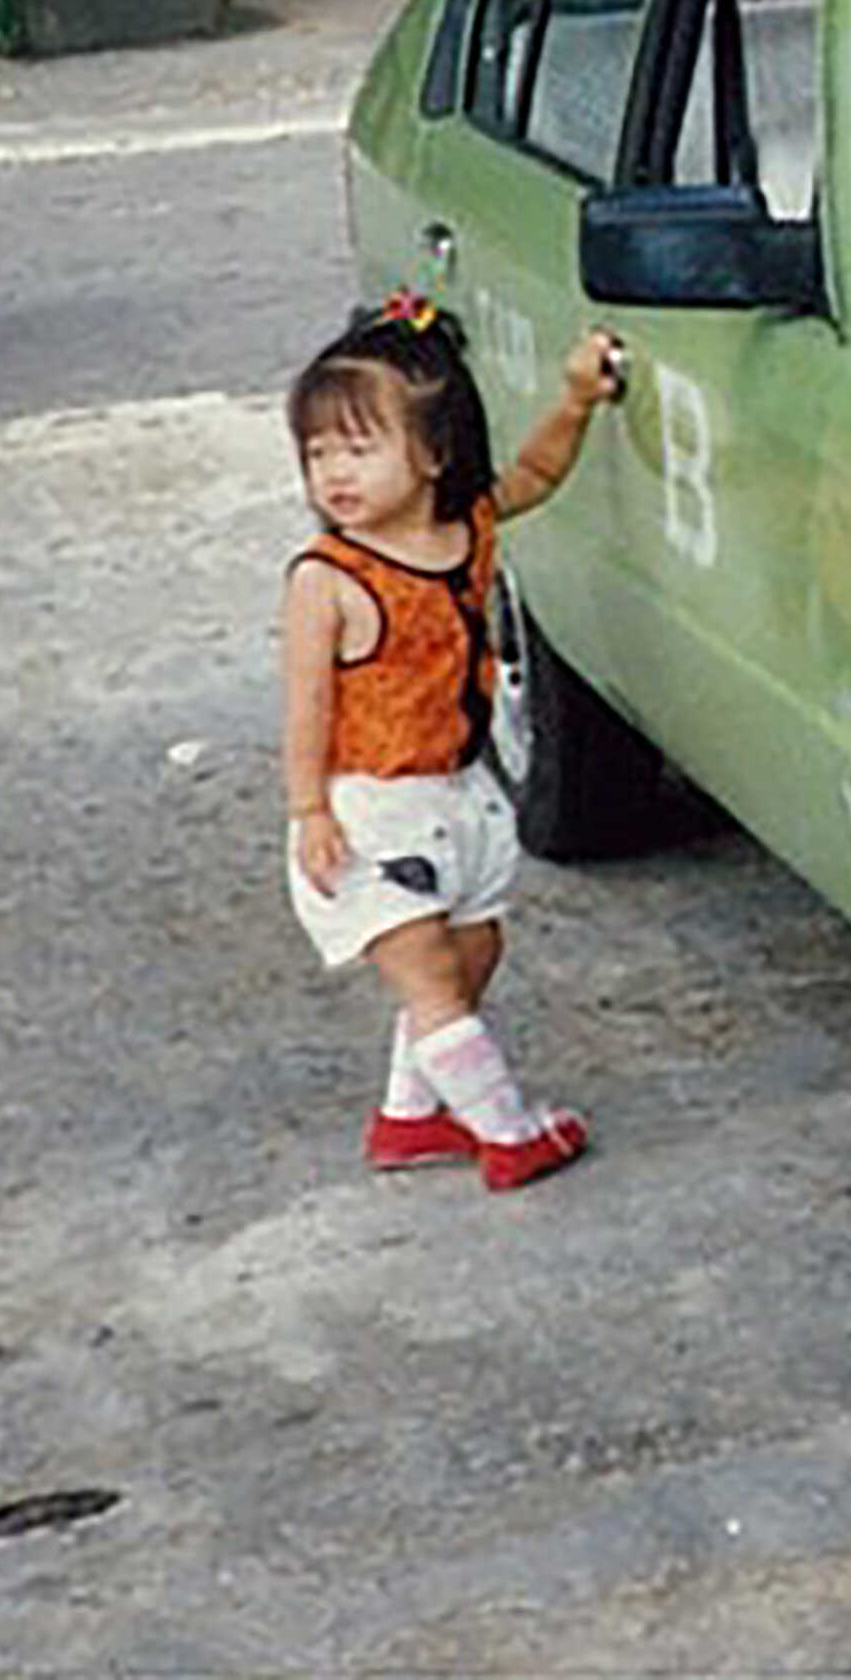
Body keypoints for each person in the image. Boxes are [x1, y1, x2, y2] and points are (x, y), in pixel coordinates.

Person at [278, 293, 623, 1191]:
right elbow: (305, 707)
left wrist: (577, 399)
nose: (334, 473)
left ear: (433, 454)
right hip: (368, 811)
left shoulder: (463, 529)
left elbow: (536, 476)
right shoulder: (327, 581)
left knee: (475, 952)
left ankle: (411, 1117)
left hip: (457, 796)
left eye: (360, 447)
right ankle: (509, 1131)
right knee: (429, 975)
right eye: (318, 453)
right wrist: (310, 809)